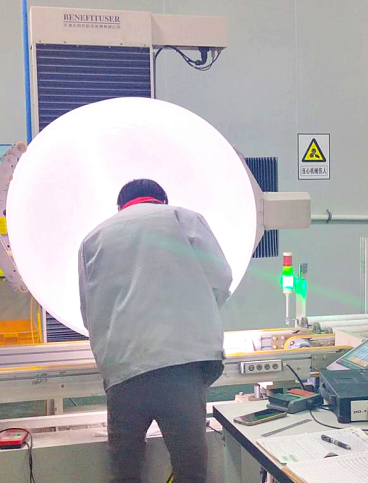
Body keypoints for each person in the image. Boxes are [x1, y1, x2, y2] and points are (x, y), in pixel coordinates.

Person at [78, 179, 232, 483]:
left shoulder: (93, 238)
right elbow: (220, 279)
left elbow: (88, 310)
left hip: (123, 370)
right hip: (180, 365)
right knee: (190, 469)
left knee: (126, 470)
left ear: (120, 206)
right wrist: (197, 314)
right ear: (162, 199)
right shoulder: (183, 218)